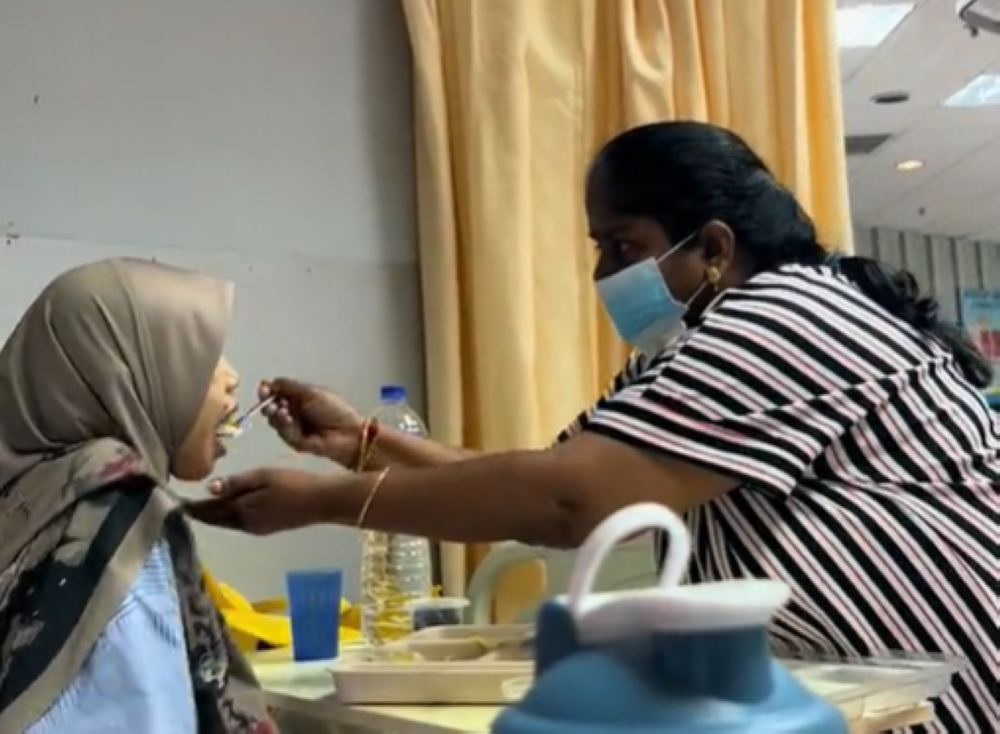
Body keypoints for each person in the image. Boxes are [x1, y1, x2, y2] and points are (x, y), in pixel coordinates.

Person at [187, 121, 998, 732]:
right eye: (599, 246)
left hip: (948, 680)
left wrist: (323, 502)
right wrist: (363, 443)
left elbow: (570, 506)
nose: (603, 274)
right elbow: (546, 473)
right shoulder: (685, 351)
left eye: (623, 244)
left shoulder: (788, 314)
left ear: (713, 247)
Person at [0, 259, 274, 733]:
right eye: (201, 356)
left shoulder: (31, 496)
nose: (231, 378)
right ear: (123, 371)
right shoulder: (113, 508)